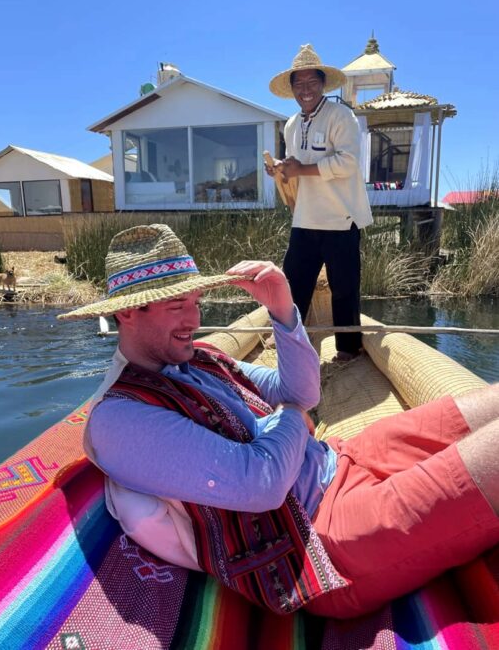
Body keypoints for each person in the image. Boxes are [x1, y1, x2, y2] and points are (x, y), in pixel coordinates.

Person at [59, 223, 499, 620]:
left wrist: (284, 311)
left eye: (196, 302)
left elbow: (303, 392)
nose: (195, 320)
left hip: (341, 458)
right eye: (177, 306)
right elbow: (262, 482)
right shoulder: (119, 418)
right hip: (321, 537)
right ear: (127, 313)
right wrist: (291, 416)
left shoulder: (200, 359)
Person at [266, 44, 373, 361]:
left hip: (341, 217)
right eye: (299, 83)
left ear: (323, 84)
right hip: (305, 216)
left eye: (312, 82)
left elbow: (348, 163)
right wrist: (281, 169)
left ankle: (348, 349)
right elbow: (296, 165)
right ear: (292, 88)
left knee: (344, 288)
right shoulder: (291, 125)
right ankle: (289, 341)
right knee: (293, 285)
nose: (306, 89)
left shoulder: (341, 116)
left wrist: (301, 169)